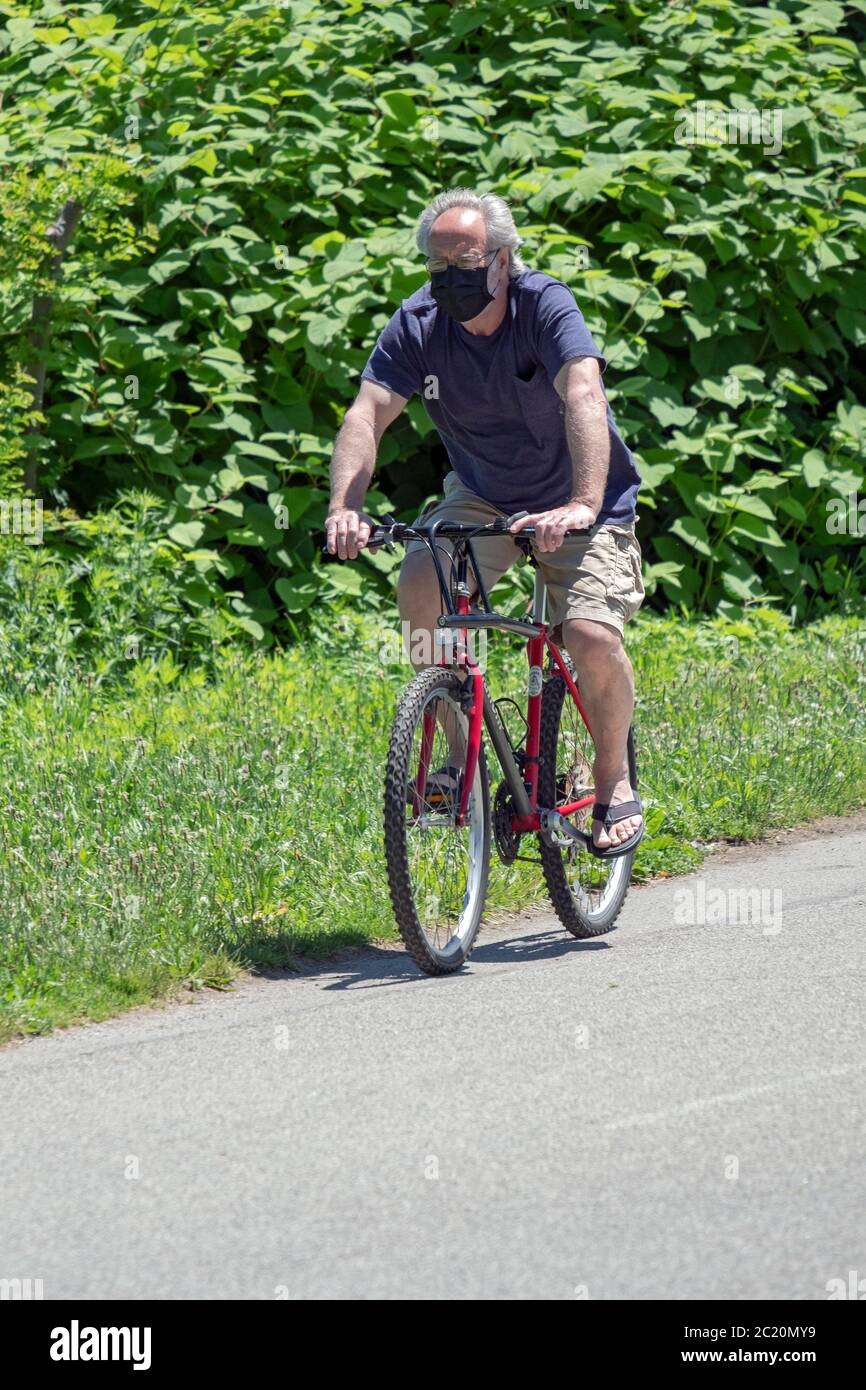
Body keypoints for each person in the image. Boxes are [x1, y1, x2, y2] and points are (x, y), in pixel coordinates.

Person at [325, 188, 645, 857]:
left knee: (587, 634)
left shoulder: (544, 304)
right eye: (437, 266)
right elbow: (368, 412)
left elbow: (583, 394)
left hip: (581, 497)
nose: (450, 279)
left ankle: (612, 781)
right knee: (420, 582)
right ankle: (454, 758)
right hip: (485, 496)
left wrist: (584, 504)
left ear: (503, 260)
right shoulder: (418, 323)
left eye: (464, 264)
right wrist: (344, 509)